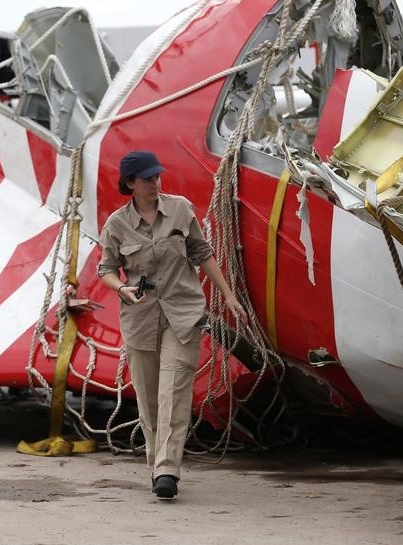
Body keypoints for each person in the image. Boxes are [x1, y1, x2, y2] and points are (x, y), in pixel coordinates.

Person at [98, 150, 247, 499]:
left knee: (174, 393)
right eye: (147, 179)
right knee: (149, 400)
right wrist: (122, 288)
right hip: (141, 319)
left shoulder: (180, 208)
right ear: (131, 183)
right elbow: (105, 269)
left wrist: (227, 295)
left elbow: (202, 252)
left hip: (183, 314)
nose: (155, 183)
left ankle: (167, 470)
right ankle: (157, 465)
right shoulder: (117, 224)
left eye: (157, 176)